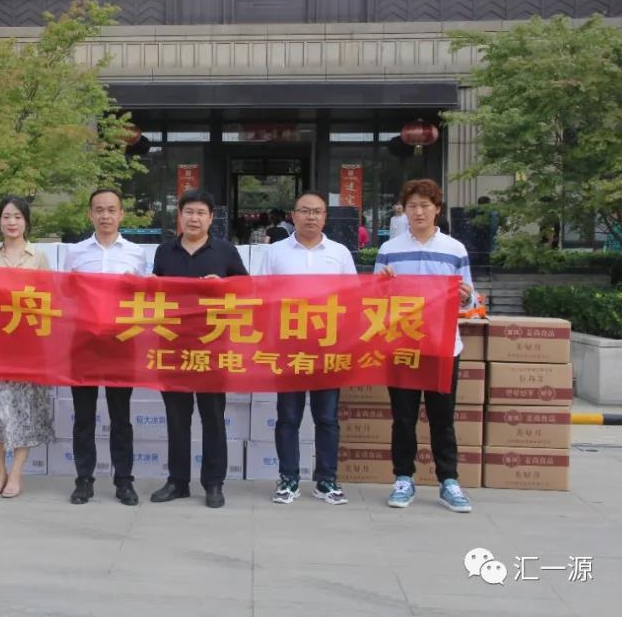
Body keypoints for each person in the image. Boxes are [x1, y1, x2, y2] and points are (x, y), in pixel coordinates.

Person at [375, 179, 477, 513]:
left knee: (442, 417)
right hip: (402, 346)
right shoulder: (389, 250)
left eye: (425, 206)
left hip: (442, 346)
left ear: (437, 209)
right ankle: (403, 478)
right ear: (403, 210)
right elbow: (374, 300)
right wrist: (382, 286)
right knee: (403, 418)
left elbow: (470, 301)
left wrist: (465, 297)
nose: (418, 212)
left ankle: (449, 481)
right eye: (412, 206)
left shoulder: (455, 249)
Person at [150, 189, 247, 509]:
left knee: (213, 418)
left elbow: (247, 291)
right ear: (180, 215)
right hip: (172, 346)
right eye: (189, 212)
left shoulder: (226, 251)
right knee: (177, 418)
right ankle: (177, 481)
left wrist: (224, 286)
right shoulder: (164, 251)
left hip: (212, 346)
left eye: (200, 213)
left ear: (211, 218)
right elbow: (152, 294)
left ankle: (213, 483)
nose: (194, 218)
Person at [260, 191, 356, 506]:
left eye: (317, 211)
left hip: (328, 348)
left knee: (326, 417)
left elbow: (353, 298)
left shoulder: (339, 253)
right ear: (293, 215)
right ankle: (288, 478)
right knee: (288, 416)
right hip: (288, 347)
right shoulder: (275, 252)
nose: (311, 217)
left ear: (325, 217)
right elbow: (262, 296)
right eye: (304, 211)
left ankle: (326, 480)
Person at [63, 188, 147, 507]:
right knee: (84, 417)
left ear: (121, 214)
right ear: (90, 215)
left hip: (122, 342)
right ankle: (84, 480)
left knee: (120, 417)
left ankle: (124, 481)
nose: (105, 216)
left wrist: (135, 287)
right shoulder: (76, 253)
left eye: (111, 209)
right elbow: (66, 295)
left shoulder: (136, 254)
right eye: (99, 210)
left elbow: (147, 297)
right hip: (83, 341)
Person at [0, 196, 55, 499]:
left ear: (26, 222)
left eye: (18, 217)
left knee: (24, 413)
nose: (12, 222)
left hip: (28, 347)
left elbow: (49, 300)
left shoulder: (39, 257)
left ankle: (17, 474)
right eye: (6, 216)